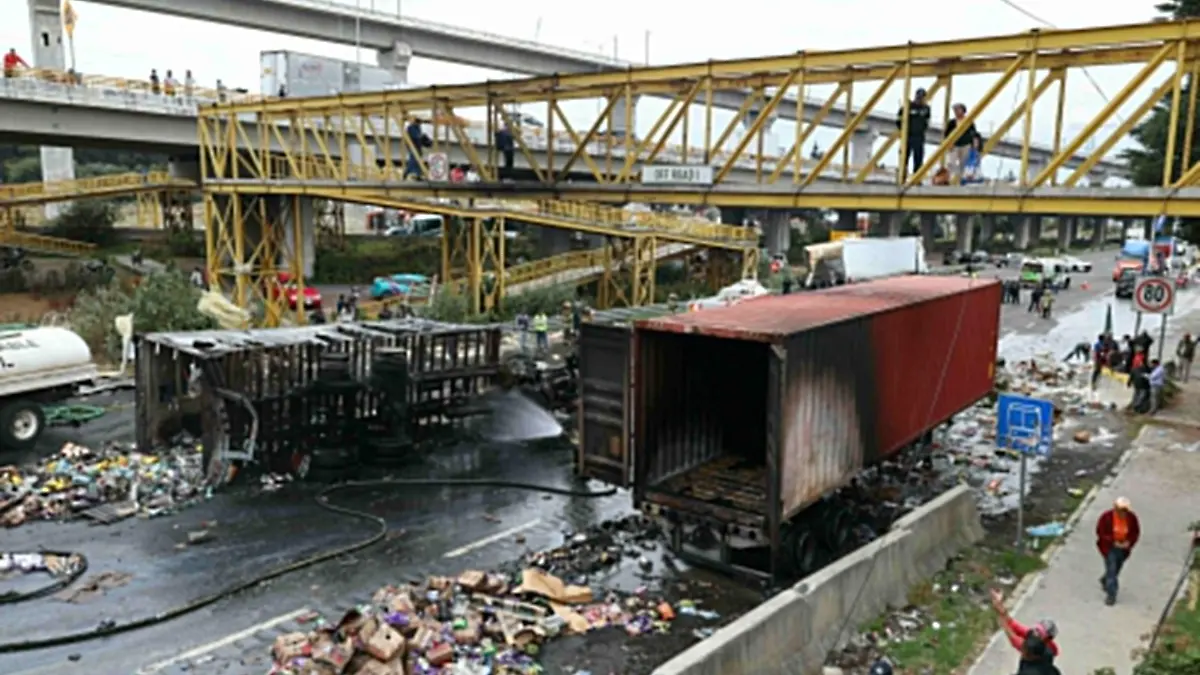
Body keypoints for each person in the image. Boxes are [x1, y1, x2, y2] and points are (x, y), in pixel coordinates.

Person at [988, 588, 1060, 661]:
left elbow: (1015, 640)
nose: (1036, 633)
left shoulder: (1036, 649)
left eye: (1040, 633)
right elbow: (1013, 624)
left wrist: (1004, 625)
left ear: (1047, 639)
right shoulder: (1036, 636)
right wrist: (1000, 605)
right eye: (1037, 630)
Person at [1096, 497, 1140, 605]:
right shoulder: (1106, 517)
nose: (1123, 513)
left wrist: (1129, 542)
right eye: (1120, 510)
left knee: (1116, 569)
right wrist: (1112, 541)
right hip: (1110, 548)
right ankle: (1111, 595)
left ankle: (1105, 579)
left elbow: (1135, 532)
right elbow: (1100, 532)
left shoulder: (1131, 518)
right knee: (1112, 570)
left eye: (1125, 511)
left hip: (1123, 549)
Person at [896, 88, 931, 178]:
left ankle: (917, 177)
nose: (920, 99)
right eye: (918, 97)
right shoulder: (907, 107)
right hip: (908, 136)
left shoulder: (926, 108)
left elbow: (927, 121)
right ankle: (902, 177)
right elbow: (898, 120)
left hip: (919, 136)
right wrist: (903, 130)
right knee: (904, 156)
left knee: (918, 157)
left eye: (922, 97)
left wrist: (922, 129)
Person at [945, 103, 983, 184]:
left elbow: (974, 133)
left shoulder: (969, 122)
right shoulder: (952, 123)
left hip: (965, 145)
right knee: (950, 163)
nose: (956, 111)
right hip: (954, 145)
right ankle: (950, 179)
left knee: (964, 164)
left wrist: (975, 144)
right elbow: (946, 134)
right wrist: (949, 144)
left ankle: (962, 181)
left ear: (963, 110)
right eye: (955, 110)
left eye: (958, 109)